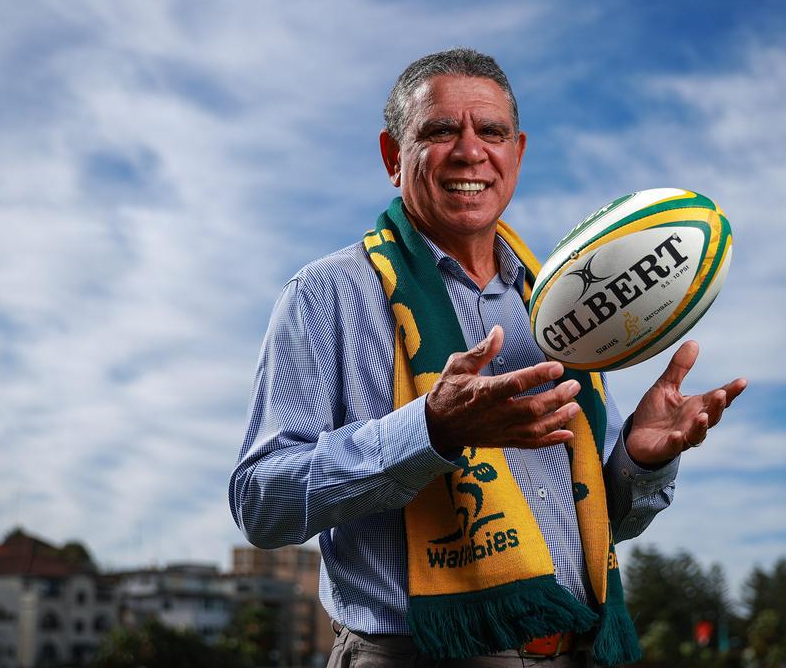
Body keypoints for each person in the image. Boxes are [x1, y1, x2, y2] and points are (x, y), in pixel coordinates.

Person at [230, 48, 746, 667]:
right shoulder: (322, 296)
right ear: (394, 156)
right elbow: (261, 504)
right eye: (441, 130)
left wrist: (641, 459)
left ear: (518, 153)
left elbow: (593, 524)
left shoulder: (564, 299)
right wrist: (429, 431)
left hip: (577, 650)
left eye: (492, 132)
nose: (471, 151)